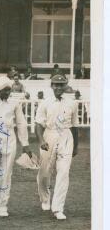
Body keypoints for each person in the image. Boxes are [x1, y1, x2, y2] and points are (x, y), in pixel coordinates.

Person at [0, 76, 31, 217]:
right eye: (5, 90)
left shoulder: (14, 104)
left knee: (6, 173)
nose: (7, 93)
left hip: (9, 139)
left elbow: (21, 124)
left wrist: (25, 143)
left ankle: (2, 205)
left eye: (9, 90)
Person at [35, 74, 79, 220]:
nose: (58, 88)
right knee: (45, 171)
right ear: (51, 86)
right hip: (49, 136)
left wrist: (76, 146)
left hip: (66, 137)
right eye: (56, 85)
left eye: (61, 85)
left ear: (66, 86)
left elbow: (74, 126)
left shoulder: (72, 103)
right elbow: (38, 125)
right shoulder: (45, 103)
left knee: (64, 172)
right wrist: (41, 140)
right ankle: (45, 198)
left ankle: (58, 207)